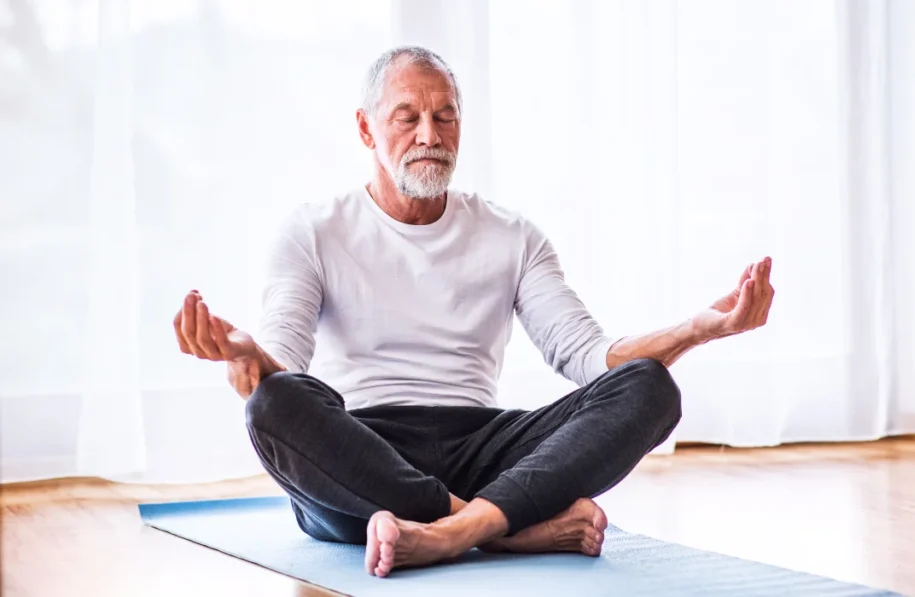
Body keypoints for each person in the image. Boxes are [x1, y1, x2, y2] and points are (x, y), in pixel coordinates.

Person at [172, 45, 774, 578]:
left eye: (446, 116)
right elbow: (283, 361)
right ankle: (508, 531)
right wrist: (246, 357)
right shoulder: (313, 230)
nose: (430, 135)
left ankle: (455, 530)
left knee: (649, 387)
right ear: (365, 129)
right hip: (364, 454)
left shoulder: (512, 236)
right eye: (407, 118)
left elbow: (594, 359)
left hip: (483, 447)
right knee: (275, 401)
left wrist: (702, 329)